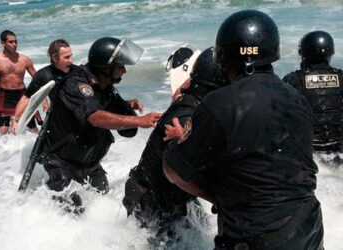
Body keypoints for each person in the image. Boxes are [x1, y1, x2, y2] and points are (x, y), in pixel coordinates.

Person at [162, 10, 324, 250]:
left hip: (256, 239)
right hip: (309, 227)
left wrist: (182, 140)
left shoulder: (219, 102)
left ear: (223, 57)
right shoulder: (297, 98)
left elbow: (174, 171)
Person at [36, 37, 161, 209]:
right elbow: (94, 116)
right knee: (71, 212)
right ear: (105, 67)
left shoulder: (105, 87)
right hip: (62, 163)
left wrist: (127, 105)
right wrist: (140, 121)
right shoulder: (76, 84)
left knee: (103, 204)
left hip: (89, 164)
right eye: (119, 66)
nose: (123, 71)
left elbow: (105, 107)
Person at [123, 47, 228, 246]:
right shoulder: (187, 114)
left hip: (173, 198)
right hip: (152, 205)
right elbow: (175, 163)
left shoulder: (195, 101)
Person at [283, 31, 343, 164]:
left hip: (309, 157)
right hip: (339, 154)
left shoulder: (293, 80)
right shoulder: (341, 78)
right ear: (330, 53)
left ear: (303, 53)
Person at [10, 38, 77, 133]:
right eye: (66, 57)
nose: (71, 61)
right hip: (58, 120)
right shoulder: (44, 75)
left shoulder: (78, 72)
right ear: (54, 58)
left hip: (78, 116)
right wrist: (15, 119)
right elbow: (26, 98)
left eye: (71, 56)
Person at [0, 30, 37, 134]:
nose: (14, 45)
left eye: (16, 41)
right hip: (4, 95)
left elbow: (38, 79)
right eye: (11, 42)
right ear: (3, 43)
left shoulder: (25, 59)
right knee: (3, 131)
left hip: (22, 95)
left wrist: (44, 100)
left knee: (33, 129)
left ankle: (35, 148)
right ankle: (6, 150)